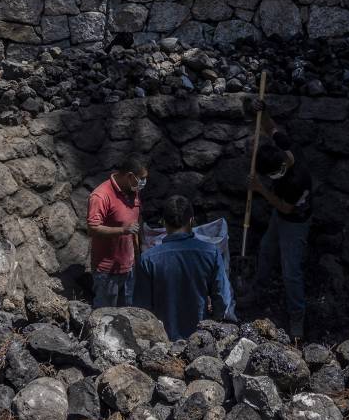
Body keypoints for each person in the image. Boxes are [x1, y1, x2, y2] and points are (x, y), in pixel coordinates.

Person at [242, 100, 314, 339]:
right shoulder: (285, 148)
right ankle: (258, 290)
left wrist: (261, 189)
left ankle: (297, 315)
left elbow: (285, 206)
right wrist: (262, 111)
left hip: (295, 221)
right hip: (279, 216)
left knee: (291, 271)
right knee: (266, 249)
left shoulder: (297, 181)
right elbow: (270, 127)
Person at [133, 195, 235, 340]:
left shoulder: (148, 259)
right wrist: (214, 320)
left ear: (163, 222)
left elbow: (141, 308)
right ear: (191, 220)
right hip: (200, 338)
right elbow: (222, 298)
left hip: (162, 341)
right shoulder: (210, 253)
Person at [86, 154, 148, 308]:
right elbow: (92, 229)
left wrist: (142, 246)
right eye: (142, 178)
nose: (143, 183)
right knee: (106, 317)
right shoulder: (100, 196)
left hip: (129, 267)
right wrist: (122, 230)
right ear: (130, 176)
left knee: (127, 315)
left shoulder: (133, 191)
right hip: (107, 271)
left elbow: (137, 218)